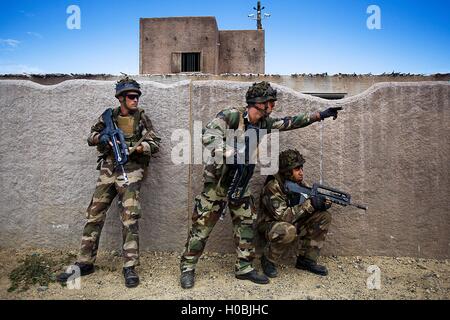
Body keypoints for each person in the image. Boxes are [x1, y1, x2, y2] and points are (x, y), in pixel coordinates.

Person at [179, 81, 340, 288]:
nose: (273, 106)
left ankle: (244, 267)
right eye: (271, 103)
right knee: (202, 227)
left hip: (242, 181)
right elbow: (209, 135)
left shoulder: (264, 124)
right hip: (218, 183)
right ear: (259, 103)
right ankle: (188, 268)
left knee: (245, 224)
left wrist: (320, 115)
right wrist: (230, 153)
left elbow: (290, 122)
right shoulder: (231, 116)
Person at [57, 76, 161, 288]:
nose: (135, 100)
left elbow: (155, 143)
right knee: (94, 214)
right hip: (108, 169)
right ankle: (85, 262)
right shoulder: (108, 117)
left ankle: (129, 267)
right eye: (131, 96)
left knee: (129, 218)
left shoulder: (141, 118)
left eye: (137, 96)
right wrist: (101, 138)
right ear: (121, 98)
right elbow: (91, 136)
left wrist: (140, 148)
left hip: (130, 170)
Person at [257, 149, 332, 278]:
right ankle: (268, 260)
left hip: (292, 221)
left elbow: (309, 201)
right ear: (287, 171)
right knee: (288, 230)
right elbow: (283, 216)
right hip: (270, 225)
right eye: (297, 169)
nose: (301, 172)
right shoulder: (272, 186)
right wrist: (310, 204)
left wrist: (321, 204)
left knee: (324, 217)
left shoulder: (298, 184)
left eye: (301, 168)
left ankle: (306, 260)